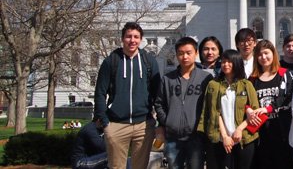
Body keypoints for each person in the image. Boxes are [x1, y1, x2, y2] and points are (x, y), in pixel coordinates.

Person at [94, 22, 160, 169]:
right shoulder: (111, 61)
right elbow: (100, 92)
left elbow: (157, 94)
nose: (132, 40)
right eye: (128, 36)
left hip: (143, 125)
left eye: (136, 37)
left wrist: (158, 121)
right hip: (116, 124)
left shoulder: (149, 61)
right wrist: (105, 122)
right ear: (122, 38)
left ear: (141, 39)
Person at [154, 37, 212, 169]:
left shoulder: (206, 78)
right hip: (173, 137)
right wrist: (167, 121)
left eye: (188, 52)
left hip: (196, 137)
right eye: (180, 53)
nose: (184, 56)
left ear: (196, 53)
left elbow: (210, 105)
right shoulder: (168, 79)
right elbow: (159, 103)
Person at [199, 49, 259, 169]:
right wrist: (225, 136)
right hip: (221, 138)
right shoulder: (213, 85)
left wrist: (239, 129)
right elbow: (214, 112)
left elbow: (254, 112)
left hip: (244, 138)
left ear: (236, 63)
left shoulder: (246, 85)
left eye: (229, 62)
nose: (226, 65)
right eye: (223, 62)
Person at [248, 40, 293, 169]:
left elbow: (289, 97)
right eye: (259, 54)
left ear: (273, 54)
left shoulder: (284, 74)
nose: (263, 57)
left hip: (281, 129)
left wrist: (268, 109)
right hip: (260, 132)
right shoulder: (252, 79)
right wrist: (248, 111)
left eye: (266, 53)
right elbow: (246, 101)